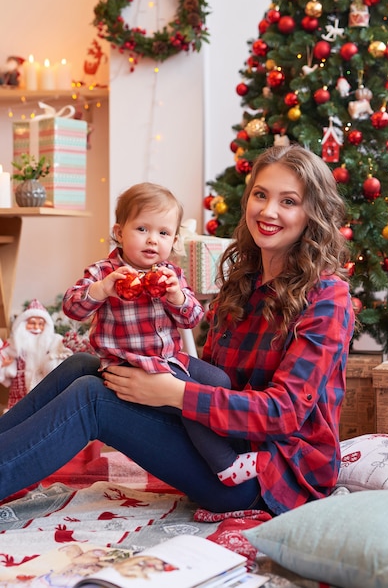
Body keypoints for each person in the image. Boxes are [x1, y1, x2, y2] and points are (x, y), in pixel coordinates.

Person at [0, 145, 355, 516]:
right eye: (261, 195)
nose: (268, 211)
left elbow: (283, 414)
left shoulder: (328, 298)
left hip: (265, 473)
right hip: (220, 438)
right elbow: (216, 378)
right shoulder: (245, 281)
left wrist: (174, 393)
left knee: (92, 398)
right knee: (83, 366)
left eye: (289, 201)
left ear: (312, 213)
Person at [61, 182, 264, 487]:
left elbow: (195, 317)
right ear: (119, 231)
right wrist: (102, 290)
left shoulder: (171, 274)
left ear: (174, 240)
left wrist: (176, 297)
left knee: (219, 381)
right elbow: (72, 308)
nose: (152, 240)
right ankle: (225, 464)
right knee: (190, 394)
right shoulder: (103, 272)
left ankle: (214, 447)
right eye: (142, 229)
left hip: (168, 357)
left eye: (163, 233)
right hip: (128, 363)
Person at [0, 299, 72, 409]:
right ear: (24, 324)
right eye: (32, 323)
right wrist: (4, 363)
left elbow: (61, 355)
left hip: (40, 386)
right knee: (15, 414)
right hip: (18, 389)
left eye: (41, 324)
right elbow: (3, 355)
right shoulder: (15, 344)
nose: (37, 327)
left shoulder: (52, 343)